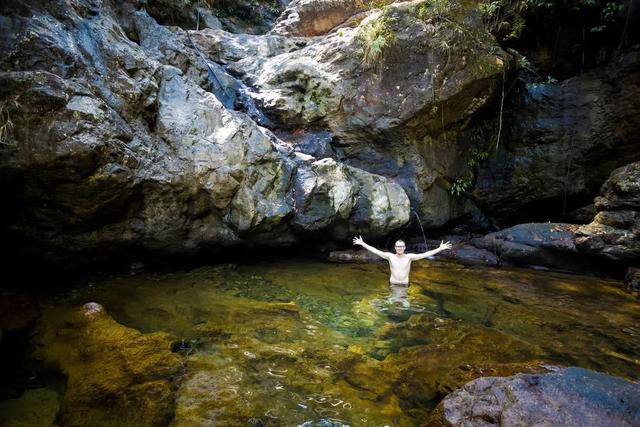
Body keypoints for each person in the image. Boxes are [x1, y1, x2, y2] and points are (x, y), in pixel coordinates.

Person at [352, 236, 452, 286]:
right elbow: (376, 251)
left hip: (404, 285)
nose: (399, 248)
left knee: (404, 305)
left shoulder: (409, 257)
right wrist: (363, 244)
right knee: (392, 305)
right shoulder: (390, 256)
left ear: (404, 248)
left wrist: (440, 249)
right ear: (395, 248)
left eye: (401, 246)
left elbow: (425, 254)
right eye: (398, 246)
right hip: (393, 285)